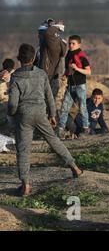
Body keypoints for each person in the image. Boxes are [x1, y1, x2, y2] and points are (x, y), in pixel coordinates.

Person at [7, 44, 83, 196]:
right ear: (34, 58)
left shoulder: (15, 77)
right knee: (54, 140)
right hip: (41, 113)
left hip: (24, 116)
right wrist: (52, 115)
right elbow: (49, 95)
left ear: (19, 59)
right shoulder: (41, 74)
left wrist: (12, 115)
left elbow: (13, 103)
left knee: (23, 150)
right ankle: (75, 168)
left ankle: (26, 185)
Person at [56, 35, 92, 139]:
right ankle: (60, 129)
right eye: (70, 43)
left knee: (82, 107)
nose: (71, 45)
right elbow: (68, 70)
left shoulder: (81, 55)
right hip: (70, 86)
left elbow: (89, 71)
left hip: (80, 86)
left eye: (73, 43)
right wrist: (65, 75)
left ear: (79, 44)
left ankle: (86, 128)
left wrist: (77, 68)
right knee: (64, 108)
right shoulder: (68, 55)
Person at [37, 19, 67, 99]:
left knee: (49, 102)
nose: (40, 36)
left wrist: (57, 26)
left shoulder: (54, 46)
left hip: (51, 77)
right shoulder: (41, 49)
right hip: (45, 78)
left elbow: (48, 33)